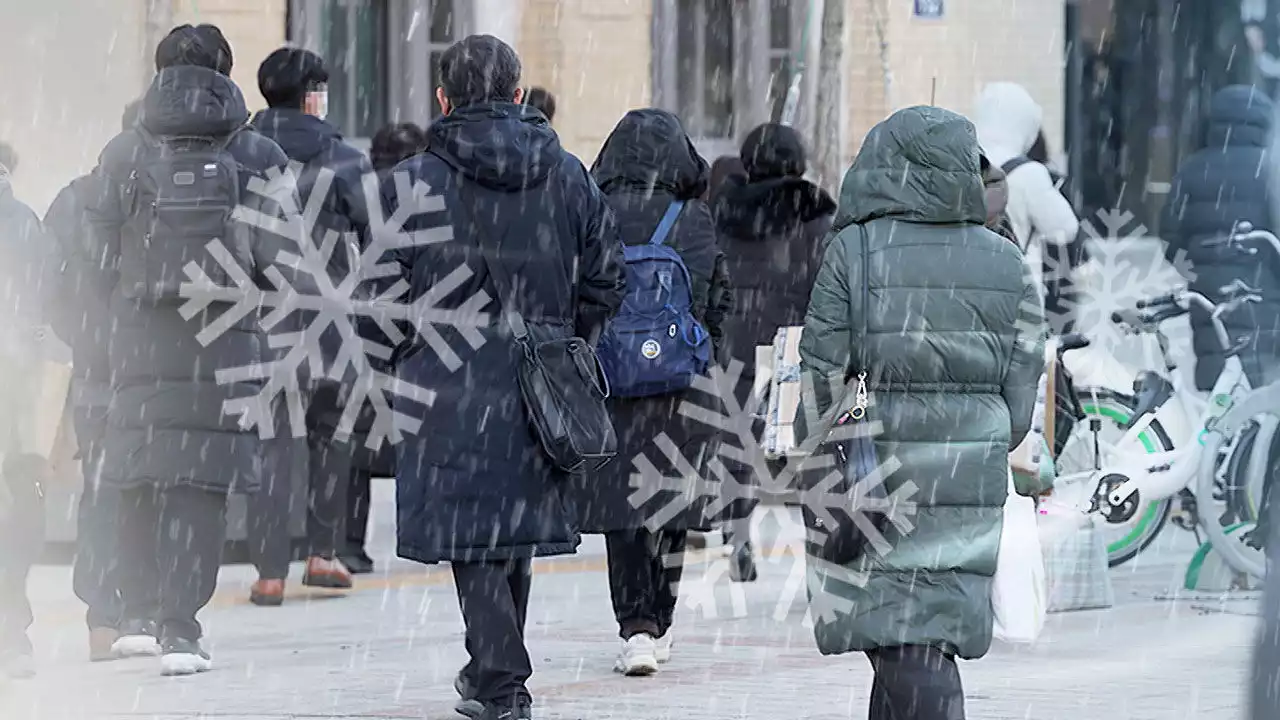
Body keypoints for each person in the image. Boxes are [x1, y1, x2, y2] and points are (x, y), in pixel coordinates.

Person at [384, 35, 622, 720]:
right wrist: (567, 339)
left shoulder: (413, 182)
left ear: (442, 99)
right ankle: (494, 666)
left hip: (447, 377)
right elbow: (609, 275)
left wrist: (410, 348)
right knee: (506, 524)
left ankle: (500, 678)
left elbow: (376, 291)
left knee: (474, 529)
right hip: (540, 379)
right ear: (519, 94)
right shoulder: (569, 174)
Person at [797, 105, 1044, 720]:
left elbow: (819, 380)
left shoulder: (852, 252)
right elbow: (1020, 398)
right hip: (967, 483)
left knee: (904, 643)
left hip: (870, 480)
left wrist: (822, 443)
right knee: (922, 641)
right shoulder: (1007, 261)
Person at [81, 23, 312, 675]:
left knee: (136, 474)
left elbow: (93, 251)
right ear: (226, 72)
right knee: (199, 488)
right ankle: (183, 630)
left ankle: (134, 617)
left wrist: (117, 310)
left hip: (139, 336)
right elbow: (284, 259)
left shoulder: (126, 151)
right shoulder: (257, 153)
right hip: (224, 342)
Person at [570, 108, 731, 676]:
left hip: (613, 382)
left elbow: (581, 295)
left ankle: (634, 626)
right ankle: (661, 622)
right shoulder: (693, 218)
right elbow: (717, 301)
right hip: (679, 385)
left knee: (623, 509)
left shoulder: (594, 211)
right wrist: (702, 350)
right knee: (670, 501)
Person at [244, 45, 377, 605]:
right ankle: (324, 553)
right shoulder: (344, 157)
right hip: (331, 320)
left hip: (260, 318)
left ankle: (269, 570)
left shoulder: (242, 153)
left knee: (272, 442)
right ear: (313, 95)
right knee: (332, 434)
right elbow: (377, 236)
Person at [711, 122, 835, 583]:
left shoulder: (724, 211)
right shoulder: (817, 215)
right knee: (811, 445)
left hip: (737, 335)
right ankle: (819, 540)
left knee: (736, 440)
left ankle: (736, 531)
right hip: (795, 341)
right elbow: (828, 283)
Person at [43, 102, 141, 661]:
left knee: (102, 490)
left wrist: (76, 334)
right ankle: (148, 612)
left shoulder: (77, 196)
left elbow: (45, 277)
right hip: (159, 367)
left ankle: (103, 615)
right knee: (152, 491)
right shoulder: (172, 191)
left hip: (98, 369)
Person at [339, 121, 425, 576]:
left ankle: (352, 544)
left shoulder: (363, 189)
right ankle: (421, 532)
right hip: (421, 317)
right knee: (423, 428)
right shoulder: (430, 187)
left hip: (365, 318)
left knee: (358, 436)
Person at [1163, 85, 1280, 392]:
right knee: (1262, 391)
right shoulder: (1271, 169)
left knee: (1218, 384)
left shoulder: (1192, 169)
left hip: (1209, 298)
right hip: (1264, 297)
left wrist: (1198, 273)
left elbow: (1170, 239)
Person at [0, 142, 52, 680]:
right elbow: (43, 302)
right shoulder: (21, 221)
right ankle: (10, 630)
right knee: (15, 506)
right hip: (10, 384)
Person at [971, 82, 1080, 312]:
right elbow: (1065, 229)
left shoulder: (960, 162)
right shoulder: (1029, 173)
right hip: (1018, 294)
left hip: (967, 290)